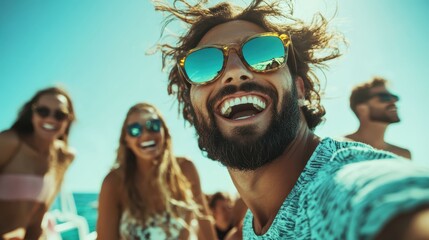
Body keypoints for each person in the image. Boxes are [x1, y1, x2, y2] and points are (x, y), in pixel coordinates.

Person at [154, 0, 429, 239]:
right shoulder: (252, 224)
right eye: (205, 64)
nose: (235, 72)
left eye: (263, 53)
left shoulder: (341, 185)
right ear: (192, 109)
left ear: (299, 89)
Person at [97, 103, 216, 240]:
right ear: (126, 140)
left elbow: (204, 221)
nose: (146, 134)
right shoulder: (114, 183)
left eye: (153, 125)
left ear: (164, 131)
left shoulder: (185, 168)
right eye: (135, 130)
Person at [0, 87, 76, 239]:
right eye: (43, 111)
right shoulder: (10, 142)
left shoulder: (65, 156)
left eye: (60, 115)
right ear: (32, 114)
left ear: (67, 120)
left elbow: (39, 214)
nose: (50, 119)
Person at [345, 77, 411, 159]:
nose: (393, 101)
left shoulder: (403, 155)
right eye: (384, 97)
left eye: (394, 97)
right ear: (362, 109)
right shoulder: (338, 145)